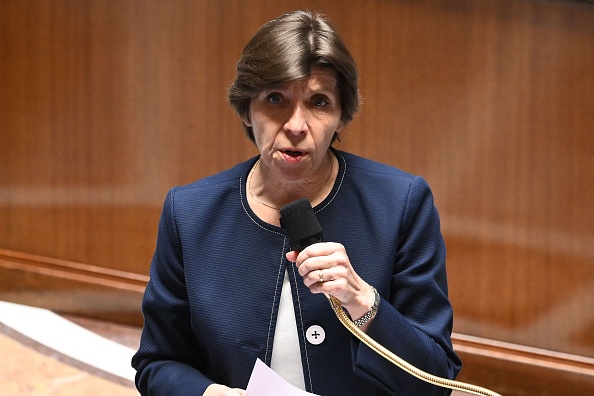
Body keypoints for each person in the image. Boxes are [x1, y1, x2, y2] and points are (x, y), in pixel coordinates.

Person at [132, 10, 462, 396]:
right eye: (275, 99)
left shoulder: (401, 204)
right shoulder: (189, 213)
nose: (295, 125)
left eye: (319, 102)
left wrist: (362, 300)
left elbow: (436, 381)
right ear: (247, 108)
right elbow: (156, 364)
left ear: (340, 116)